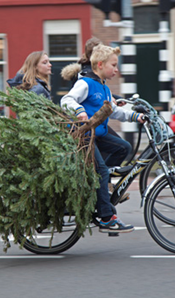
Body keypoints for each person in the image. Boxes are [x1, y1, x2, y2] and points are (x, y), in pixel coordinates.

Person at [61, 44, 144, 234]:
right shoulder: (86, 83)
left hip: (99, 134)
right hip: (84, 137)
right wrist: (80, 111)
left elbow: (114, 111)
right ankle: (106, 217)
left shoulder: (104, 87)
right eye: (113, 65)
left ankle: (98, 185)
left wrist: (135, 117)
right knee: (102, 172)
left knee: (123, 148)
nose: (117, 69)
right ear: (100, 65)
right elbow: (66, 100)